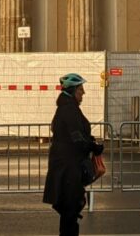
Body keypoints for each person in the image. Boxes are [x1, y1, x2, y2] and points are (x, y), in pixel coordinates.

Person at [43, 73, 103, 236]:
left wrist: (90, 142)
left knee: (69, 212)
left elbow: (75, 133)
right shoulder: (69, 109)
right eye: (80, 89)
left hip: (66, 166)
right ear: (72, 90)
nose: (83, 93)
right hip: (68, 168)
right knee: (70, 211)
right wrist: (93, 147)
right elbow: (76, 137)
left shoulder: (67, 108)